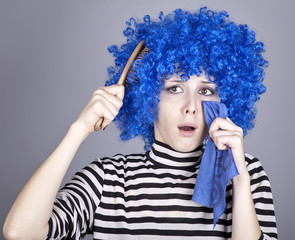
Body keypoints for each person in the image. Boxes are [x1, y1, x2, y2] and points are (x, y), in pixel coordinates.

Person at [3, 7, 277, 240]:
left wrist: (240, 181)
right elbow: (19, 233)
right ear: (148, 97)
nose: (192, 107)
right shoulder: (107, 179)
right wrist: (78, 131)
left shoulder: (246, 173)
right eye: (175, 88)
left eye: (206, 91)